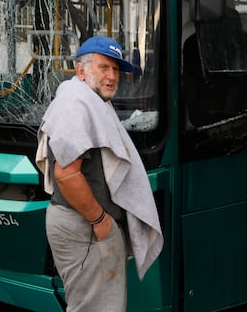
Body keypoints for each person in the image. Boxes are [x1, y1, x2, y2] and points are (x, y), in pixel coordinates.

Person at [35, 36, 163, 311]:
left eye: (116, 70)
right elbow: (67, 174)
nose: (112, 76)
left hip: (88, 226)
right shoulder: (76, 104)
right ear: (81, 71)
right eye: (104, 67)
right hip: (85, 226)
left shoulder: (89, 100)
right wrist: (101, 221)